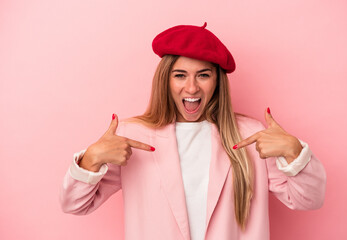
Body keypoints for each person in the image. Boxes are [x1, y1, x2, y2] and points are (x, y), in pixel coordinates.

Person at [59, 23, 326, 240]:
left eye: (203, 75)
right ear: (165, 79)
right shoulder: (133, 136)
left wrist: (294, 151)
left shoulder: (251, 135)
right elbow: (74, 205)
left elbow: (309, 200)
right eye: (180, 75)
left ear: (217, 81)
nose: (191, 88)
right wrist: (91, 159)